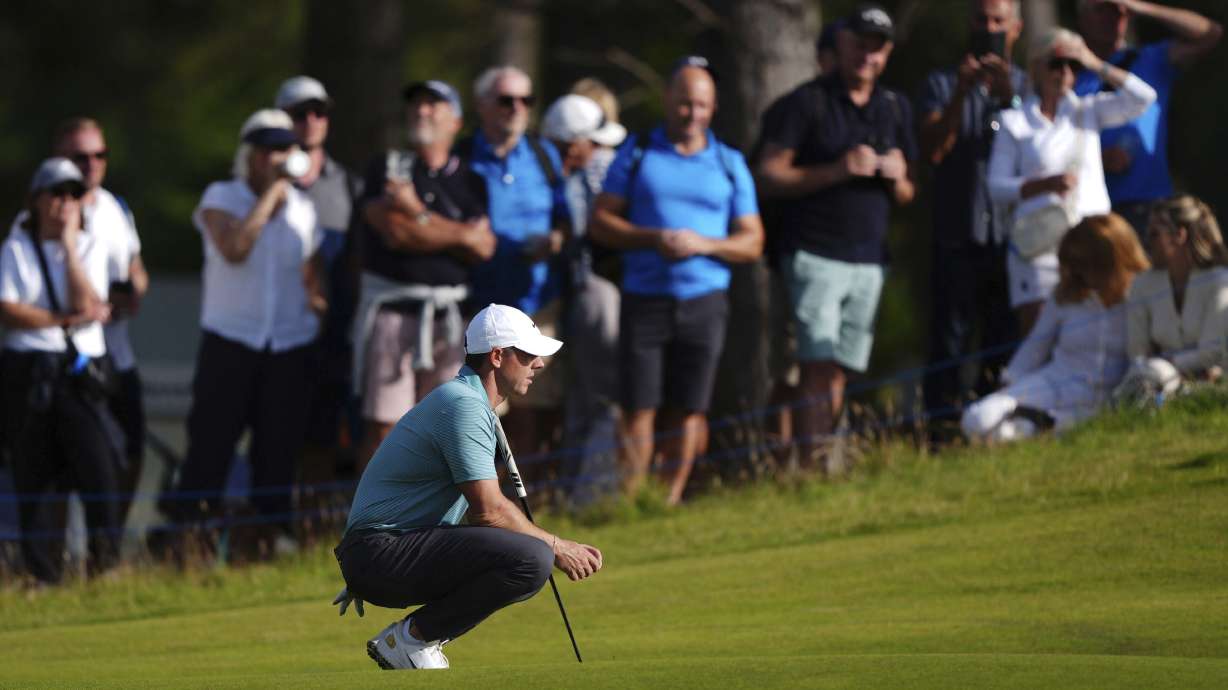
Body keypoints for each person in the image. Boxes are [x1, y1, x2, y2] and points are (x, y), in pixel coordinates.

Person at [332, 304, 602, 670]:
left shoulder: (467, 402)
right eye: (527, 355)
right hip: (379, 553)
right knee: (532, 558)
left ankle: (414, 640)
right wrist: (557, 545)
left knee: (527, 554)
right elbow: (489, 512)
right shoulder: (464, 406)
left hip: (382, 551)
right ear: (497, 356)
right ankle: (410, 640)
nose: (538, 364)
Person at [591, 57, 764, 506]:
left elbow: (752, 241)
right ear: (668, 99)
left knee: (690, 405)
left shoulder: (729, 162)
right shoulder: (637, 152)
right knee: (639, 404)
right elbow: (602, 221)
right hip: (644, 296)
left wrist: (705, 244)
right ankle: (632, 500)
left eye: (702, 105)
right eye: (685, 103)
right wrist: (653, 239)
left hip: (704, 298)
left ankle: (667, 501)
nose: (693, 114)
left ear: (714, 107)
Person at [756, 5, 917, 473]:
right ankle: (814, 467)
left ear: (887, 53)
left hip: (870, 258)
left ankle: (825, 460)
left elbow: (909, 193)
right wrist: (837, 170)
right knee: (817, 362)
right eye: (860, 43)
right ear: (843, 43)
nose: (867, 54)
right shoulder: (807, 102)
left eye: (877, 46)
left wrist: (898, 176)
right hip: (814, 252)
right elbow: (767, 174)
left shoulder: (895, 107)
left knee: (839, 368)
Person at [161, 110, 324, 555]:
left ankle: (263, 548)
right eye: (268, 149)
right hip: (231, 341)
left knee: (277, 452)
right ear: (249, 155)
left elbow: (312, 276)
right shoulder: (222, 196)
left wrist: (320, 311)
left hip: (288, 344)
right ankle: (190, 544)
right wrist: (273, 191)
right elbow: (235, 249)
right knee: (210, 448)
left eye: (285, 148)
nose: (278, 157)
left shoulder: (304, 210)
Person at [352, 79, 495, 473]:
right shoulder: (388, 167)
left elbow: (484, 248)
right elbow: (395, 233)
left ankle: (431, 512)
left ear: (456, 121)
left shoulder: (471, 181)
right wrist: (461, 234)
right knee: (385, 427)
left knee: (447, 429)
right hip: (394, 311)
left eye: (434, 104)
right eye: (416, 104)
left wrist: (416, 211)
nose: (422, 111)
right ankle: (373, 510)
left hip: (450, 319)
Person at [987, 27, 1156, 335]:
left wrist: (1094, 62)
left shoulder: (1088, 110)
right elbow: (996, 187)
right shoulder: (1015, 122)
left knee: (1102, 331)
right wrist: (1045, 185)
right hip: (1040, 247)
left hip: (1091, 243)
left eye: (1073, 65)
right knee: (1040, 337)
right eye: (1057, 63)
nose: (1065, 72)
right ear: (1037, 66)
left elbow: (1144, 98)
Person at [0, 158, 122, 583]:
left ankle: (104, 564)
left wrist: (70, 248)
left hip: (79, 371)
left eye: (73, 194)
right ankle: (41, 573)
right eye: (56, 194)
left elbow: (88, 303)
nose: (65, 203)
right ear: (36, 200)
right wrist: (64, 319)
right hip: (30, 369)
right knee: (34, 475)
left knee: (98, 465)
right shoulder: (16, 248)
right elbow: (9, 310)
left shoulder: (90, 246)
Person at [916, 0, 1026, 439]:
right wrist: (962, 94)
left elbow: (1038, 149)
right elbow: (932, 150)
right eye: (981, 20)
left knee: (1002, 341)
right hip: (957, 236)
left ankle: (993, 429)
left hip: (1011, 240)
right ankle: (942, 434)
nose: (989, 29)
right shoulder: (941, 84)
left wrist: (1008, 100)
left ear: (1015, 29)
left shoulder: (1028, 86)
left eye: (999, 21)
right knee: (949, 344)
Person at [464, 66, 570, 485]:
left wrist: (556, 240)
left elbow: (566, 219)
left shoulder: (544, 155)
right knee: (481, 414)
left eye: (526, 100)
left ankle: (521, 504)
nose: (517, 108)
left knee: (532, 409)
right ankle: (481, 505)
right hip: (480, 309)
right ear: (482, 105)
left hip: (537, 304)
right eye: (506, 100)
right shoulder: (462, 155)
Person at [962, 213, 1150, 441]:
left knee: (1049, 430)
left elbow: (1144, 359)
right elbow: (1034, 347)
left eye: (1086, 265)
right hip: (1056, 385)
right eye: (1075, 265)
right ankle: (1031, 426)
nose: (1080, 273)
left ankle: (1036, 428)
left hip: (1107, 400)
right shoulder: (1066, 294)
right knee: (978, 419)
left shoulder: (1142, 295)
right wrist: (1009, 383)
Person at [275, 76, 363, 514]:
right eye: (299, 113)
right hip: (272, 333)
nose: (310, 120)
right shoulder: (261, 182)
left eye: (319, 111)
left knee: (323, 437)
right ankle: (268, 531)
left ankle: (312, 529)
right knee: (273, 437)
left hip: (331, 335)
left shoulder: (349, 186)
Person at [54, 118, 148, 522]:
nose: (91, 164)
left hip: (117, 354)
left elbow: (136, 267)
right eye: (81, 156)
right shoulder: (49, 210)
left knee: (131, 452)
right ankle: (60, 550)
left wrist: (133, 292)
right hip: (69, 356)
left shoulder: (115, 207)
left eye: (99, 154)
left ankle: (107, 544)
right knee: (64, 467)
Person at [540, 93, 627, 505]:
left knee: (587, 398)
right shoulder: (590, 169)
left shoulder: (587, 167)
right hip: (593, 293)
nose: (598, 149)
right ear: (573, 144)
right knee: (594, 396)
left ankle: (579, 489)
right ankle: (586, 493)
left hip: (591, 289)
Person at [1074, 0, 1222, 235]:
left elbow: (1210, 34)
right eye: (1102, 10)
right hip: (1091, 208)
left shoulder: (1150, 59)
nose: (1112, 18)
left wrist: (1139, 7)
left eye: (1120, 12)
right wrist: (1097, 158)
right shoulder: (1067, 74)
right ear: (1082, 18)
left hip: (1151, 205)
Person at [1125, 195, 1228, 384]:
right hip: (1159, 384)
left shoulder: (1220, 282)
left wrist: (1162, 364)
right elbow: (1137, 353)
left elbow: (1212, 353)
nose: (1146, 241)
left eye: (1154, 234)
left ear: (1179, 235)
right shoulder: (1142, 284)